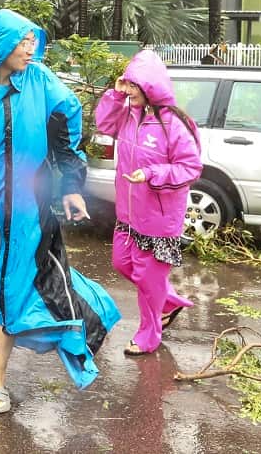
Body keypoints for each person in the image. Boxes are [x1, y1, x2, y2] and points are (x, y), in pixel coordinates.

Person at [0, 9, 120, 415]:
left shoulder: (41, 82)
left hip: (27, 214)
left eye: (33, 40)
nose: (31, 47)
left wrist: (70, 188)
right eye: (23, 41)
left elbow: (67, 131)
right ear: (2, 43)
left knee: (11, 287)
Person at [94, 49, 201, 357]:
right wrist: (115, 95)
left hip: (158, 221)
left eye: (132, 85)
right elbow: (103, 124)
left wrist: (152, 173)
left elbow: (190, 168)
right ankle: (167, 300)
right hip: (128, 215)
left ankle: (149, 335)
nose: (127, 91)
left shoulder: (175, 124)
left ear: (150, 86)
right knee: (121, 263)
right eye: (125, 84)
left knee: (149, 278)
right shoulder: (128, 115)